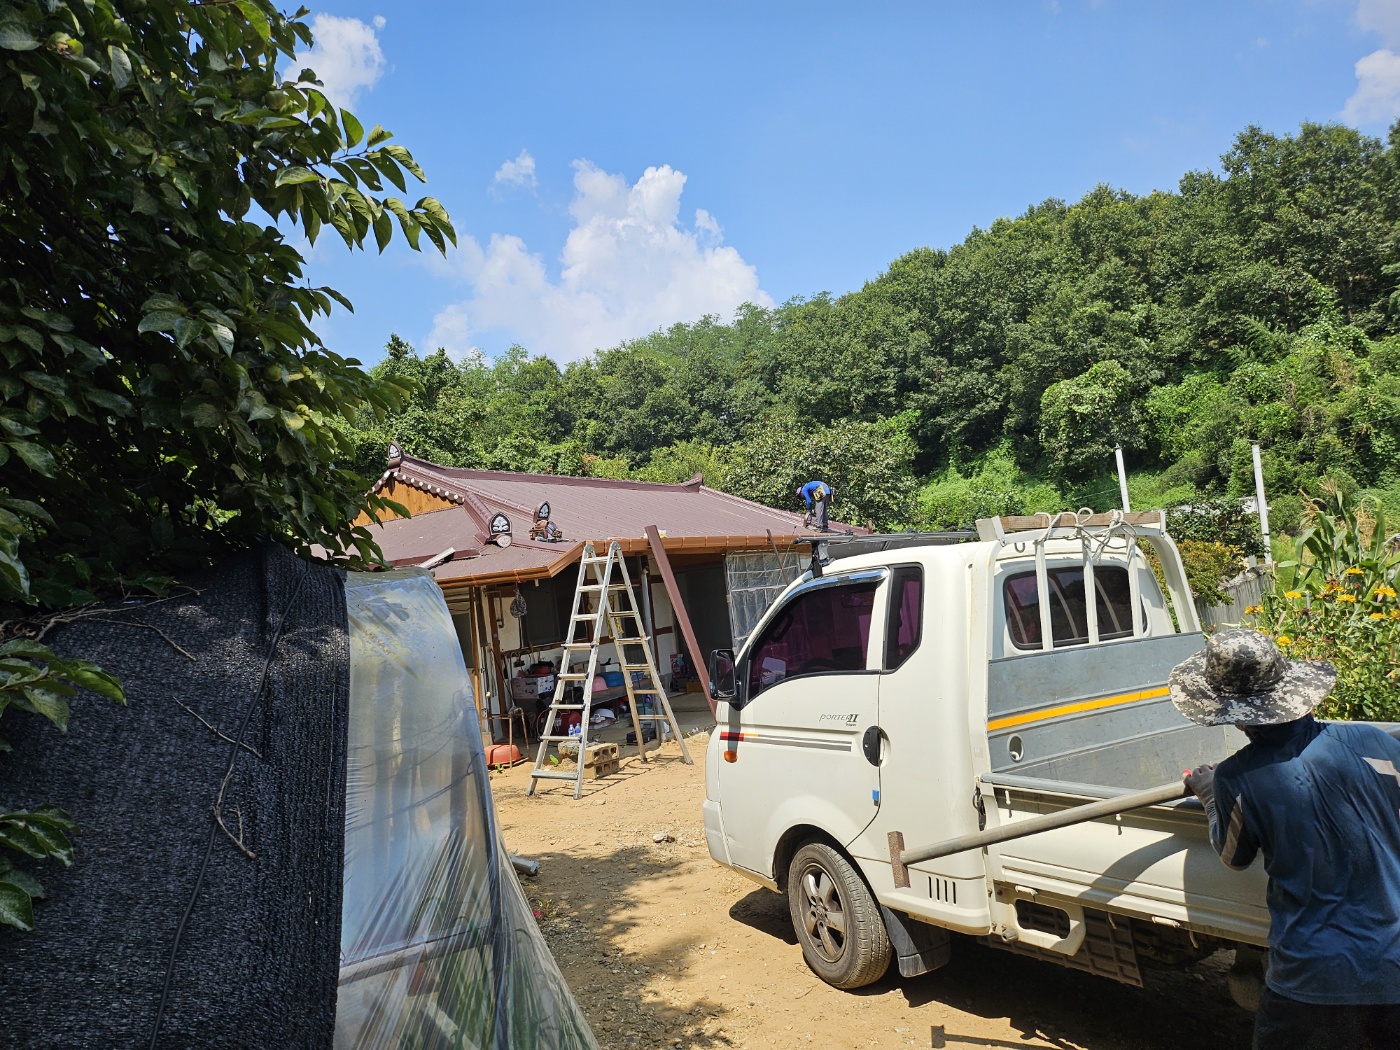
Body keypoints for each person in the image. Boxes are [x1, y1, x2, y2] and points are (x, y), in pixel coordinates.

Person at [1170, 628, 1400, 1050]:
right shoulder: (1373, 742)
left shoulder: (1237, 777)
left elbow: (1234, 856)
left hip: (1311, 978)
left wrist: (1208, 795)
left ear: (1233, 715)